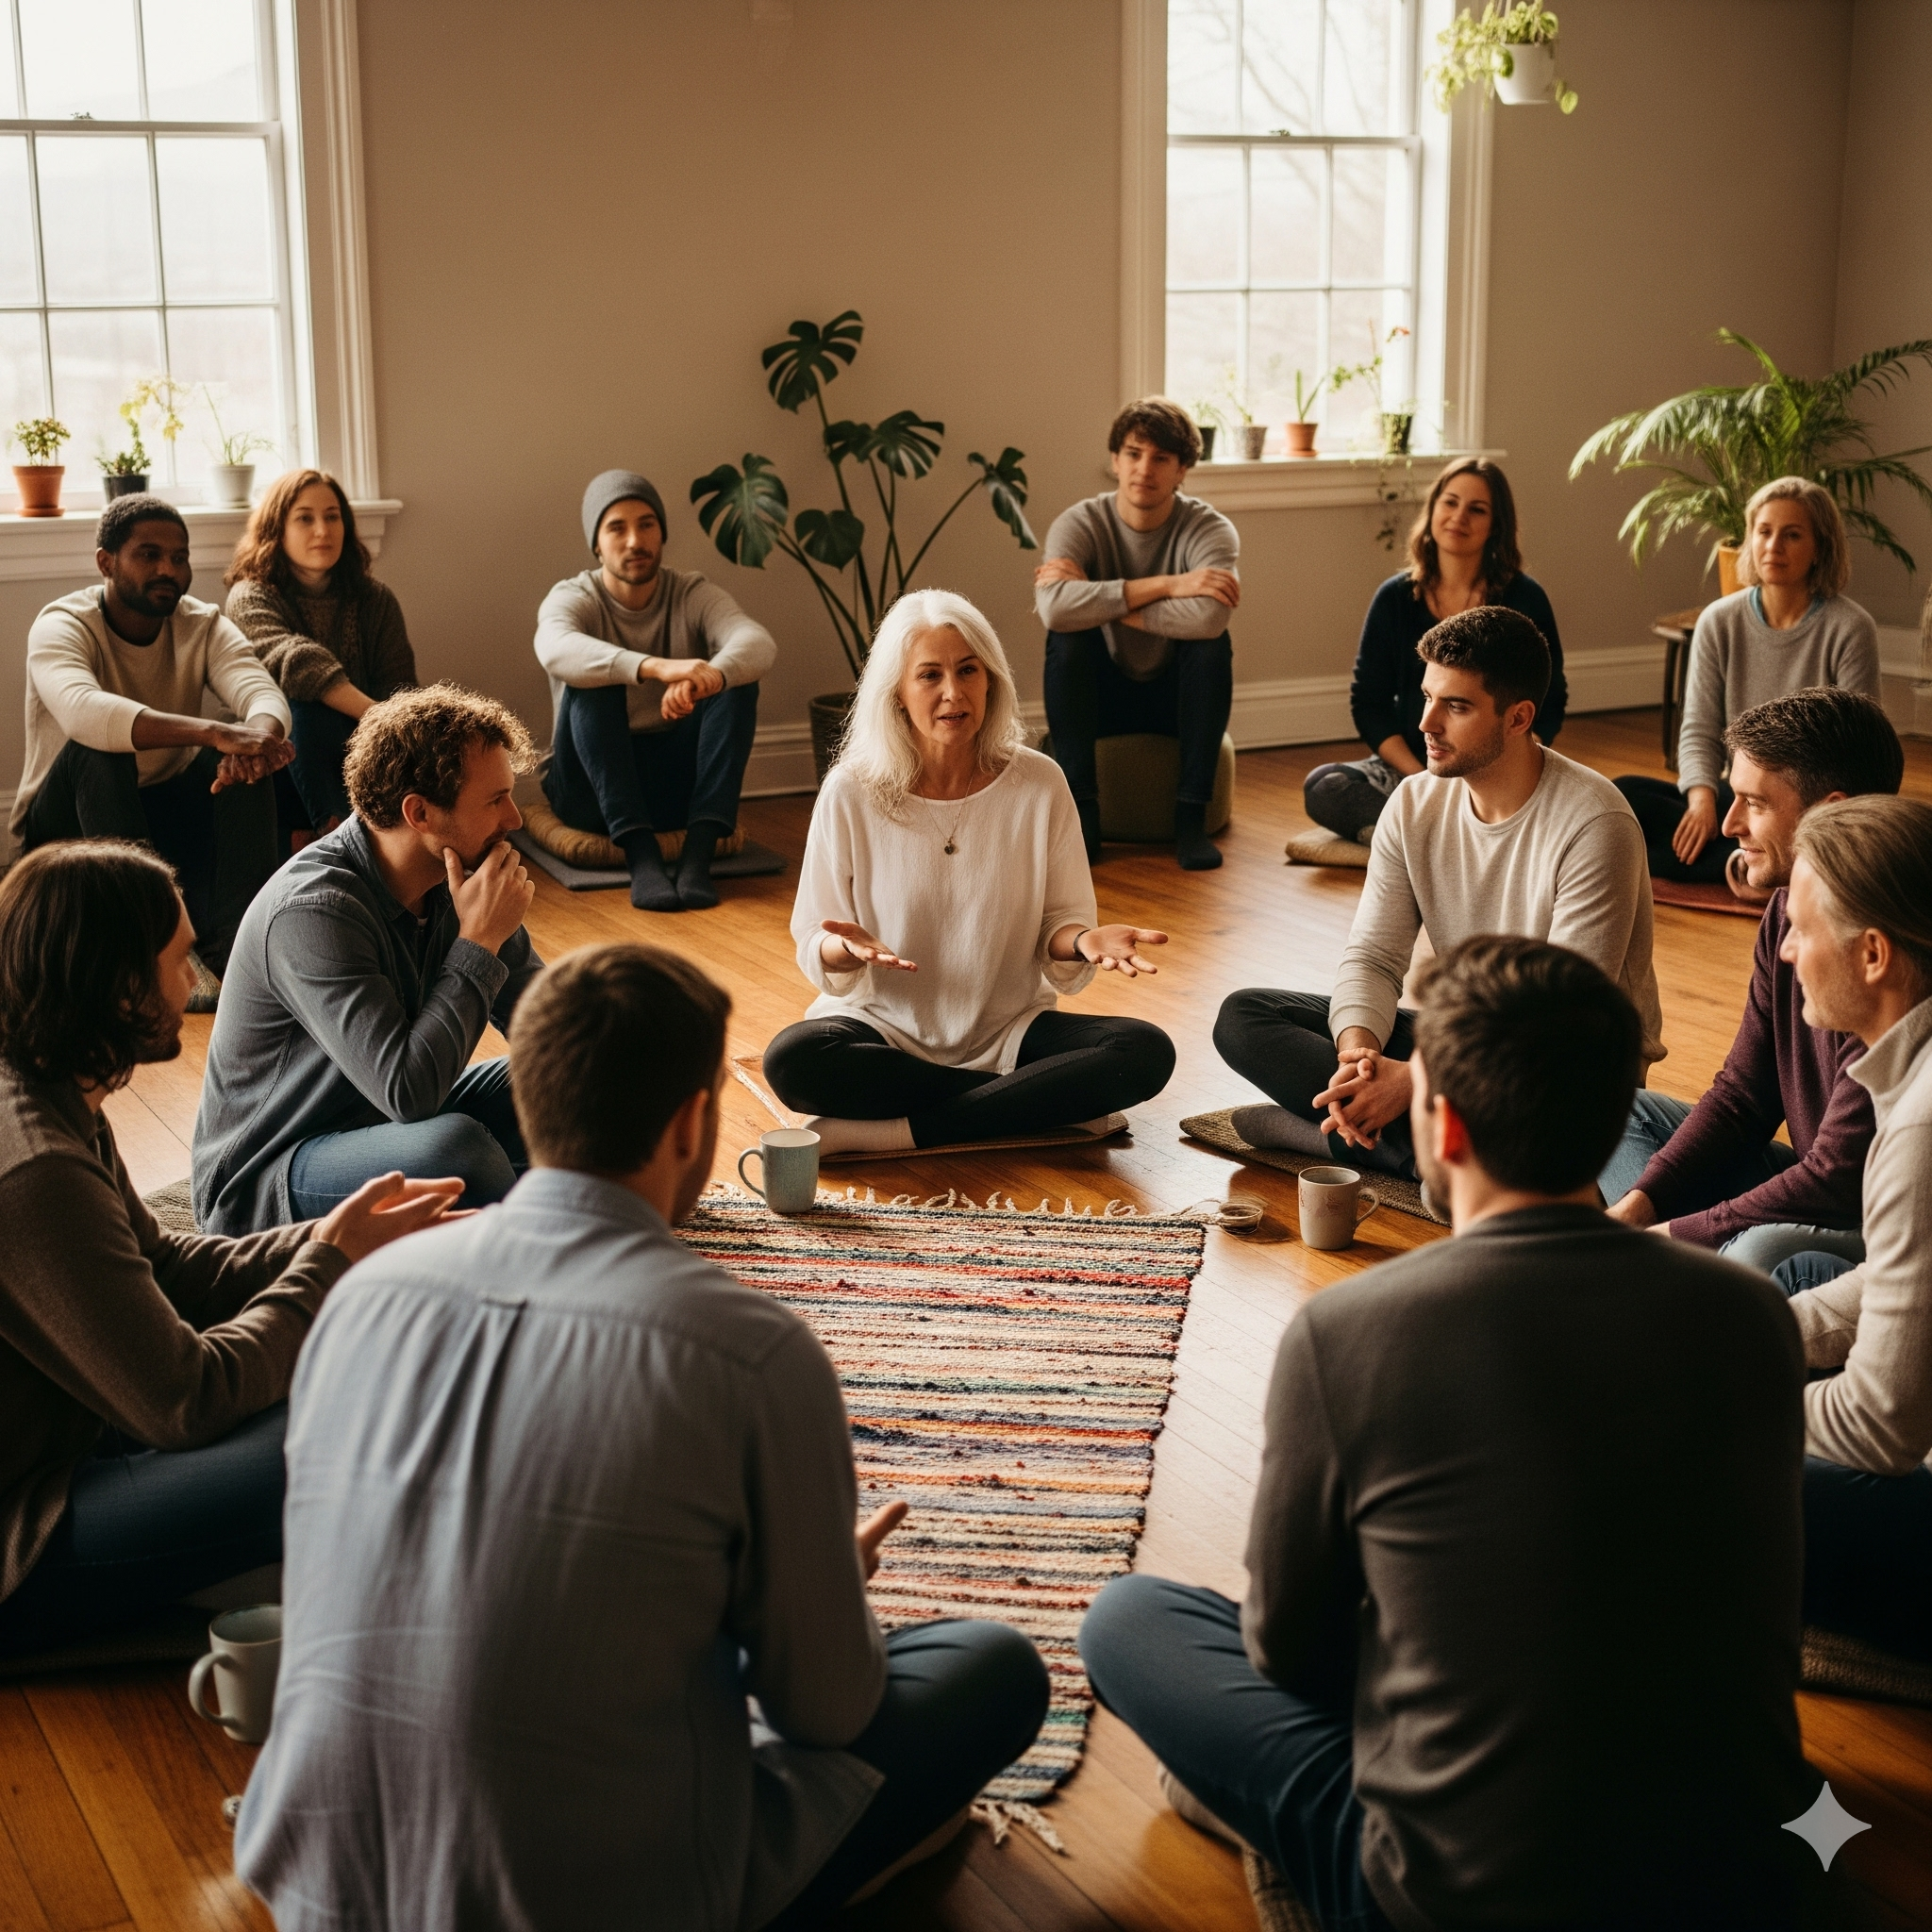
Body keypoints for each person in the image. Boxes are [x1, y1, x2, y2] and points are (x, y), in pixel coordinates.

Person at [234, 941, 1050, 1931]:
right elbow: (824, 1710)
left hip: (323, 1873)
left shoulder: (359, 1295)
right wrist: (818, 1583)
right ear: (694, 1120)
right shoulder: (749, 1351)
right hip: (604, 1895)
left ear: (526, 1099)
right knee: (991, 1668)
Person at [1082, 935, 1820, 1931]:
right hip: (1741, 1868)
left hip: (1459, 1895)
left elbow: (1286, 1649)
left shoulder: (1348, 1331)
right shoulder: (1750, 1312)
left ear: (1445, 1126)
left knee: (1126, 1618)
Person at [0, 841, 457, 1657]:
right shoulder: (36, 1171)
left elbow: (165, 1268)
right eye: (181, 959)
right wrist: (330, 1269)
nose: (199, 976)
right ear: (119, 987)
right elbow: (186, 1399)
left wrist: (330, 1236)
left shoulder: (48, 1084)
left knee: (358, 1358)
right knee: (359, 1414)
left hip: (83, 1438)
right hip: (27, 1535)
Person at [1215, 605, 1661, 1178]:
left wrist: (1417, 1078)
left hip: (1564, 1063)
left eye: (1456, 706)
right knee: (1244, 1017)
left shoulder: (1597, 824)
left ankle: (1334, 1139)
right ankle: (1414, 1142)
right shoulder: (1413, 802)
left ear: (1519, 717)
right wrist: (1362, 1056)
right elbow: (1374, 956)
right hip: (1465, 1036)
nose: (1426, 723)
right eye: (1427, 697)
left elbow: (1563, 1017)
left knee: (1548, 1129)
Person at [765, 591, 1175, 1157]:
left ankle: (898, 1132)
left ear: (991, 681)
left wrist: (1083, 940)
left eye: (967, 671)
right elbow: (815, 935)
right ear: (898, 694)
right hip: (884, 1029)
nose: (952, 693)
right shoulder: (852, 791)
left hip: (1006, 1030)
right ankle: (1038, 1108)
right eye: (929, 676)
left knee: (1144, 1051)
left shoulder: (1039, 783)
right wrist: (844, 950)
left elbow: (1059, 921)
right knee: (792, 1061)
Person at [192, 684, 541, 1235]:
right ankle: (530, 1220)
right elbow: (409, 1092)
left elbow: (545, 1025)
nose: (516, 819)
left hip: (388, 1123)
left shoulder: (464, 877)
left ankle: (518, 1210)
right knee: (460, 1155)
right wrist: (479, 944)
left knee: (575, 1067)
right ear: (419, 812)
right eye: (495, 800)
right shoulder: (314, 911)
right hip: (271, 1173)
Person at [1602, 688, 1902, 1273]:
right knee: (1612, 1113)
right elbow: (1743, 1097)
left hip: (1877, 1219)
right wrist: (1642, 1208)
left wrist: (1676, 1234)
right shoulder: (1786, 909)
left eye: (1753, 803)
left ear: (1828, 813)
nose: (1730, 824)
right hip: (1813, 1180)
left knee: (1761, 1251)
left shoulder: (1884, 950)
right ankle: (1683, 1265)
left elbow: (1840, 1179)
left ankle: (1685, 1271)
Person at [1765, 796, 1932, 1659]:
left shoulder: (1921, 1129)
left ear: (1874, 954)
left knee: (1672, 1465)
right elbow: (1903, 1275)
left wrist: (1714, 1400)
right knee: (1783, 1290)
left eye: (1800, 928)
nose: (1785, 949)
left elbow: (1881, 1425)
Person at [11, 494, 293, 996]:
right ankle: (145, 953)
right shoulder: (62, 624)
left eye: (179, 557)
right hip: (66, 823)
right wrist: (211, 731)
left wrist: (255, 740)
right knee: (100, 750)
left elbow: (262, 694)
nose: (168, 568)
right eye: (148, 554)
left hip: (162, 813)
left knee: (245, 758)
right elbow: (84, 712)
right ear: (106, 562)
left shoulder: (201, 625)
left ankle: (242, 963)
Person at [1616, 477, 1879, 886]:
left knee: (1858, 837)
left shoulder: (1850, 627)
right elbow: (1700, 727)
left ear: (1820, 547)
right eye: (1764, 531)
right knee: (1624, 799)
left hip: (1807, 805)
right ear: (1750, 540)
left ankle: (1757, 864)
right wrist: (1701, 800)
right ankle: (1757, 867)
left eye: (1792, 535)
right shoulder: (1718, 621)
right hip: (1739, 798)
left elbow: (1861, 748)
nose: (1774, 547)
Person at [535, 469, 775, 911]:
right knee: (594, 681)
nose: (634, 540)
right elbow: (554, 647)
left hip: (672, 788)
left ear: (661, 532)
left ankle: (697, 856)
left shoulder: (691, 592)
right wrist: (655, 669)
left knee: (737, 683)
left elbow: (757, 642)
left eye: (646, 524)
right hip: (589, 793)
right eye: (617, 528)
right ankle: (641, 855)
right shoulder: (573, 597)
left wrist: (710, 678)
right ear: (596, 543)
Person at [1304, 458, 1567, 844]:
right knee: (1326, 786)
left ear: (1496, 526)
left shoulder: (1524, 598)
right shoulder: (1394, 597)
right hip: (1415, 768)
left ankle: (1415, 841)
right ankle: (1437, 840)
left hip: (1495, 770)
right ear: (1432, 510)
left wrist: (1508, 765)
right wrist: (1421, 780)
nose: (1459, 517)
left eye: (1477, 509)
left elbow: (1550, 698)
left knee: (1548, 812)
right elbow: (1369, 702)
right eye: (1450, 502)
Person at [1035, 398, 1238, 870]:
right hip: (1101, 697)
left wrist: (1098, 600)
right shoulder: (1079, 523)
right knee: (1067, 641)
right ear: (1115, 460)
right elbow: (1055, 611)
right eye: (1133, 453)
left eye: (1161, 458)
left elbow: (1208, 618)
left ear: (1183, 469)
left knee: (1211, 648)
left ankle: (1190, 817)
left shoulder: (1210, 530)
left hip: (1176, 699)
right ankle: (1083, 816)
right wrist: (1169, 585)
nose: (1144, 469)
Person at [225, 468, 418, 839]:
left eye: (333, 517)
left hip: (367, 752)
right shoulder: (250, 597)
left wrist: (386, 729)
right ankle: (337, 836)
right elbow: (298, 664)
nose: (322, 530)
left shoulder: (375, 599)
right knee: (303, 706)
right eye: (305, 518)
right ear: (276, 529)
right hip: (282, 760)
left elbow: (401, 690)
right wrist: (376, 715)